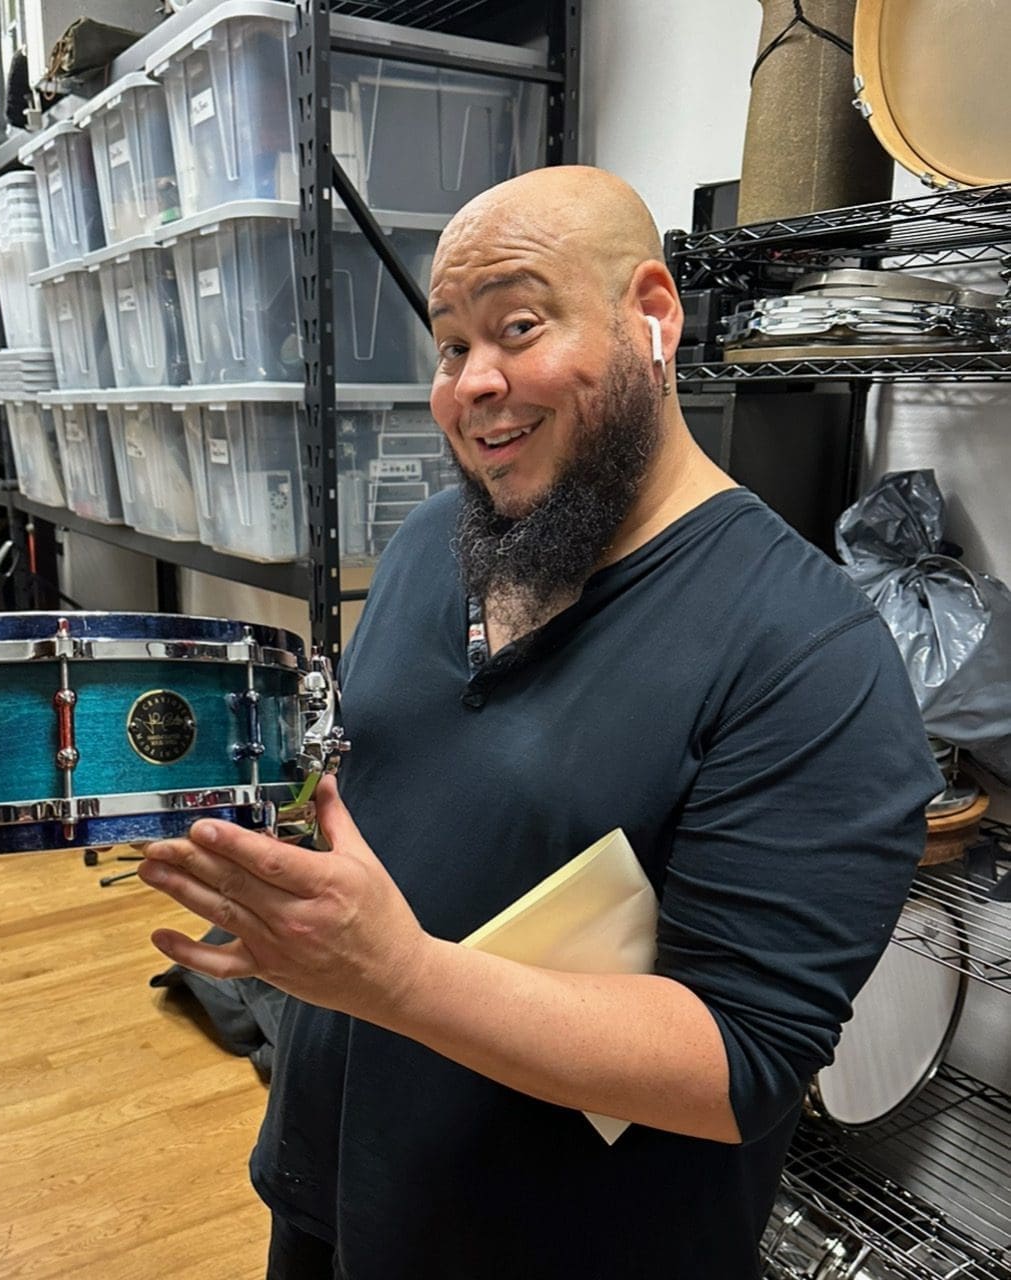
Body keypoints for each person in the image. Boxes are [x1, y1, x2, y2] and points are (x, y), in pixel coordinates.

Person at [138, 166, 943, 1278]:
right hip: (335, 1192)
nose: (473, 383)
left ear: (649, 315)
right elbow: (387, 808)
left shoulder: (807, 657)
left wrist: (400, 974)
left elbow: (740, 1060)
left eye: (517, 326)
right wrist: (269, 866)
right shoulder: (430, 545)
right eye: (448, 345)